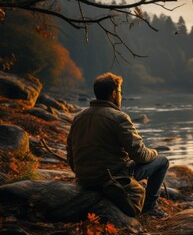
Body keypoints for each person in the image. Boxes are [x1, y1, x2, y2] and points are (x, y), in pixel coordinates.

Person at [66, 72, 169, 217]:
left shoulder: (79, 117)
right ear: (113, 93)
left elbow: (70, 152)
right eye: (120, 92)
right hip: (111, 178)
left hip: (84, 179)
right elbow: (139, 155)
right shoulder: (119, 117)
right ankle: (149, 209)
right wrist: (154, 153)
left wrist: (82, 172)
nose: (120, 95)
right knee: (162, 162)